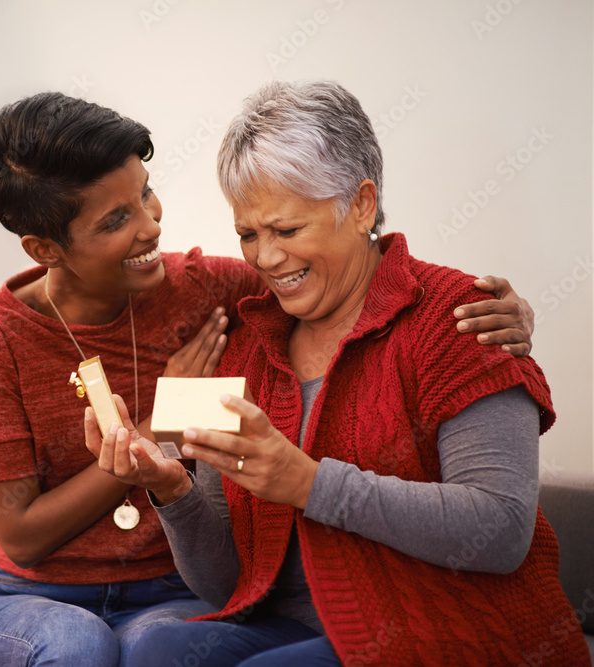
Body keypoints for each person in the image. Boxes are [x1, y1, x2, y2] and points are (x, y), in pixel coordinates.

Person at [0, 91, 538, 667]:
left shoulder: (222, 297)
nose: (152, 226)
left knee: (153, 646)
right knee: (98, 649)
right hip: (49, 590)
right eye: (249, 235)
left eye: (147, 195)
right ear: (45, 249)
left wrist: (501, 311)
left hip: (195, 593)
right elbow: (26, 536)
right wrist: (166, 461)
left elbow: (377, 284)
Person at [86, 80, 588, 666]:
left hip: (450, 630)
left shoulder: (464, 318)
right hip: (297, 628)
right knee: (158, 647)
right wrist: (172, 489)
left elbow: (501, 531)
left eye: (287, 230)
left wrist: (306, 482)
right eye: (248, 234)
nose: (266, 258)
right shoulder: (248, 346)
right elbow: (226, 586)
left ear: (362, 205)